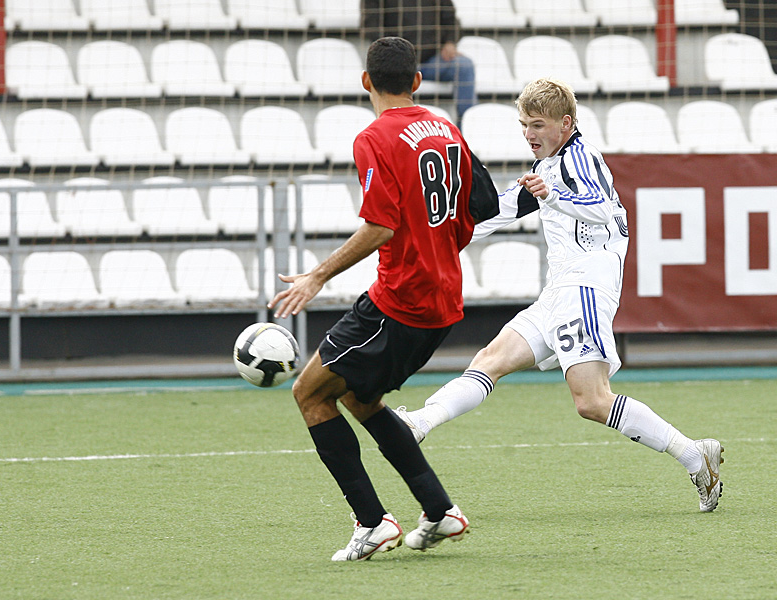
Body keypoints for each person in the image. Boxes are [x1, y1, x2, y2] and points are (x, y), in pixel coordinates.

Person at [397, 78, 725, 513]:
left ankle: (693, 455)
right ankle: (418, 422)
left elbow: (600, 206)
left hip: (585, 287)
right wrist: (434, 239)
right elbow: (501, 209)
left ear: (565, 124)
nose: (528, 133)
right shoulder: (550, 165)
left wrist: (553, 194)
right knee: (490, 361)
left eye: (537, 125)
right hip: (560, 290)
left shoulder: (579, 158)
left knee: (592, 400)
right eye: (524, 124)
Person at [268, 36, 487, 561]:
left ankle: (372, 522)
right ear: (418, 81)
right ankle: (439, 510)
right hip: (444, 300)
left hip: (400, 300)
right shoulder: (447, 129)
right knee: (358, 398)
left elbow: (380, 227)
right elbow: (481, 202)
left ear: (366, 81)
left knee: (309, 394)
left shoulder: (374, 137)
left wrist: (317, 275)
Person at [362, 0, 477, 123]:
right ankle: (387, 125)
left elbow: (451, 20)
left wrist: (450, 42)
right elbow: (371, 26)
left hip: (431, 61)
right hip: (395, 62)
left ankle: (467, 126)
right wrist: (391, 49)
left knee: (464, 66)